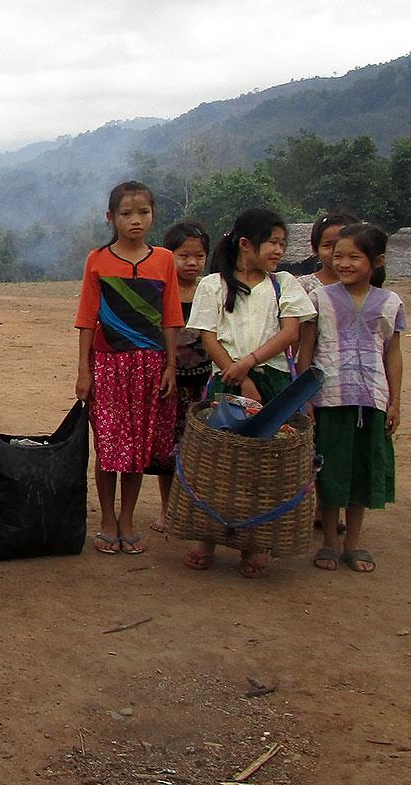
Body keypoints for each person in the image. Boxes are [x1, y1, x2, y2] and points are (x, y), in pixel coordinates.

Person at [184, 208, 316, 577]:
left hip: (272, 382)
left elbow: (290, 333)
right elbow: (207, 336)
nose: (278, 250)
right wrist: (239, 376)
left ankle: (255, 543)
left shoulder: (285, 284)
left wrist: (248, 365)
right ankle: (207, 536)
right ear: (246, 244)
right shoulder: (213, 286)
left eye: (282, 243)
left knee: (267, 465)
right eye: (273, 242)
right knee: (218, 461)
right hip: (226, 380)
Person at [73, 181, 182, 556]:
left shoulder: (164, 259)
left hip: (150, 364)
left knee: (138, 447)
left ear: (153, 215)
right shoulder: (98, 259)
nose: (135, 220)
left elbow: (170, 317)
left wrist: (170, 365)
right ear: (111, 217)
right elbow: (87, 318)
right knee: (108, 444)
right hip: (107, 364)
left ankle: (128, 520)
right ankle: (106, 519)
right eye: (126, 213)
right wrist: (84, 371)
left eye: (143, 213)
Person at [296, 223, 404, 574]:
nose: (343, 263)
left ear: (377, 261)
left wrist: (395, 401)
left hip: (371, 399)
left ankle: (353, 543)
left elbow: (393, 354)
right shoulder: (319, 299)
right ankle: (328, 540)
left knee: (362, 470)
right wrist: (304, 396)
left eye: (354, 257)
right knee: (330, 471)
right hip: (330, 397)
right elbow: (306, 350)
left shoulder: (390, 303)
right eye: (337, 255)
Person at [151, 221, 212, 535]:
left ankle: (195, 509)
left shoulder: (211, 290)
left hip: (203, 383)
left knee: (200, 449)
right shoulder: (160, 289)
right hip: (171, 381)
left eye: (199, 256)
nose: (192, 262)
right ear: (167, 255)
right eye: (184, 255)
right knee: (168, 448)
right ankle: (167, 508)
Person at [296, 212, 359, 293]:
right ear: (315, 249)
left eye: (344, 244)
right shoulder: (303, 286)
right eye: (327, 245)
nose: (336, 251)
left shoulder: (365, 284)